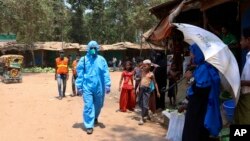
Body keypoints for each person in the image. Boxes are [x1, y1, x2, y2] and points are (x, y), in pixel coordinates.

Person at [182, 43, 222, 141]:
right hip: (200, 107)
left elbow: (201, 90)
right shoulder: (202, 66)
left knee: (194, 133)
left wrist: (190, 78)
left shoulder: (204, 68)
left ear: (198, 53)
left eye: (192, 53)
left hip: (198, 109)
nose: (191, 55)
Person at [75, 40, 111, 134]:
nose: (93, 50)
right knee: (88, 105)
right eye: (91, 48)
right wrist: (79, 86)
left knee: (99, 104)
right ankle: (89, 125)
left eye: (95, 48)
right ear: (88, 49)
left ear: (97, 48)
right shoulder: (83, 60)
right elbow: (80, 74)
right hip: (87, 86)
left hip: (99, 86)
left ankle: (95, 117)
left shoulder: (101, 59)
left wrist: (107, 84)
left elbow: (105, 72)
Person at [137, 59, 160, 125]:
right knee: (140, 103)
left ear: (149, 66)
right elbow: (140, 80)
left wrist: (157, 91)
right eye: (143, 66)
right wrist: (137, 88)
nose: (144, 67)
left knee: (145, 104)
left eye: (145, 66)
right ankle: (146, 114)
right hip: (141, 89)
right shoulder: (142, 72)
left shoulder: (151, 74)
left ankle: (141, 118)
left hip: (147, 90)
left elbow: (155, 83)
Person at [234, 27, 250, 124]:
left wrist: (241, 82)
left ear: (248, 40)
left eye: (242, 39)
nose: (240, 42)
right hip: (245, 96)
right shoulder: (248, 56)